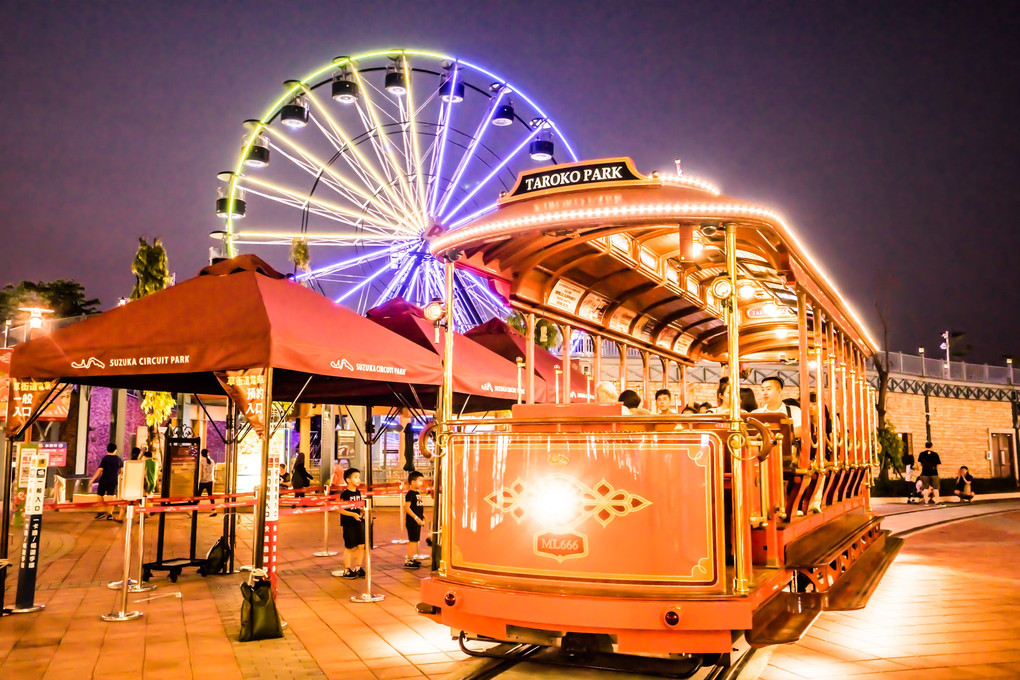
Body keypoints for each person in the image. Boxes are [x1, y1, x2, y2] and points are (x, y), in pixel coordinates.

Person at [338, 468, 366, 579]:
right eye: (355, 477)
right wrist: (352, 515)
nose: (358, 479)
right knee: (349, 547)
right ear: (348, 480)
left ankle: (358, 567)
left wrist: (362, 511)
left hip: (359, 522)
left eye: (359, 477)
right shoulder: (345, 494)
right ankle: (347, 569)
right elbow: (339, 509)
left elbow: (357, 506)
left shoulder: (358, 492)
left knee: (361, 546)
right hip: (348, 523)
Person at [90, 443, 123, 522]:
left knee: (100, 495)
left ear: (107, 449)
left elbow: (100, 470)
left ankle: (101, 512)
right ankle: (110, 514)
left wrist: (92, 479)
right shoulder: (118, 459)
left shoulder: (105, 458)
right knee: (111, 496)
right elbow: (122, 471)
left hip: (104, 479)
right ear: (115, 450)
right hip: (113, 480)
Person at [403, 471, 427, 568]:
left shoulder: (417, 493)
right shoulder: (410, 494)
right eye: (420, 481)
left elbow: (417, 506)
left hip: (417, 520)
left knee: (415, 540)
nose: (422, 483)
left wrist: (422, 515)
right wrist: (416, 518)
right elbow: (407, 507)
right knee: (412, 540)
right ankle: (408, 560)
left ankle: (412, 558)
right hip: (412, 521)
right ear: (413, 482)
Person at [198, 449, 216, 515]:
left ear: (201, 454)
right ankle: (214, 510)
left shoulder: (201, 462)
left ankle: (194, 510)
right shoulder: (212, 461)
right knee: (210, 496)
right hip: (210, 481)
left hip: (202, 481)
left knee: (198, 496)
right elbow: (214, 471)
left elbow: (200, 472)